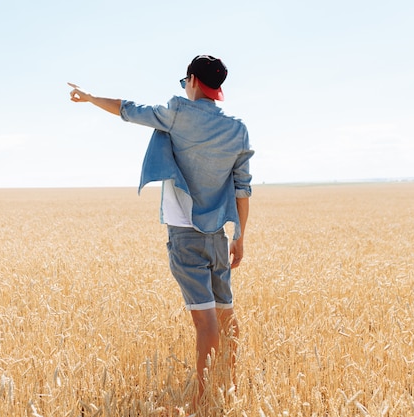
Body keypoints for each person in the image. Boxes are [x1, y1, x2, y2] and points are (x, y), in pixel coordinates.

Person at [68, 55, 254, 407]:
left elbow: (128, 109)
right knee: (226, 313)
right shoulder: (237, 129)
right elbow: (242, 189)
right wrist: (240, 237)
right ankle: (228, 385)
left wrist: (90, 98)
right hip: (218, 236)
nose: (184, 86)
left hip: (186, 236)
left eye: (185, 81)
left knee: (205, 323)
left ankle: (202, 399)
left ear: (194, 81)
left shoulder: (178, 114)